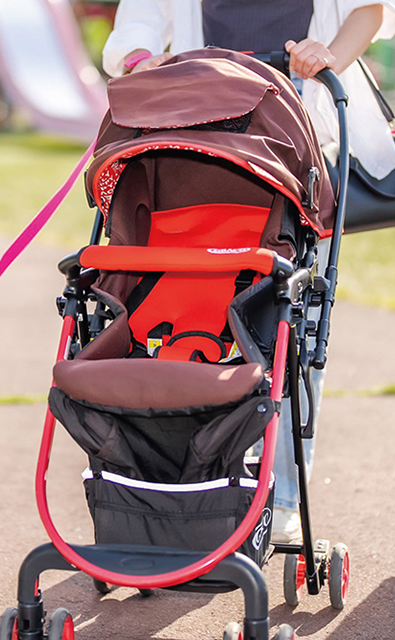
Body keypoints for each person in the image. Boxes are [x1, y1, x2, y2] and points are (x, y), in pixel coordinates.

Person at [99, 1, 395, 544]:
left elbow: (368, 9)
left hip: (303, 139)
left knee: (293, 321)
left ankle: (279, 497)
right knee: (200, 311)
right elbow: (140, 17)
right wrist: (141, 58)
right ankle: (197, 483)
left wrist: (329, 55)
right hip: (206, 137)